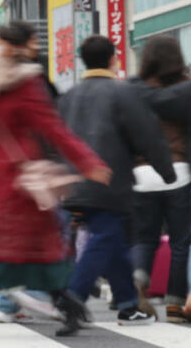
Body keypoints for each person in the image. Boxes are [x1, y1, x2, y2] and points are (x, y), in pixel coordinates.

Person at [0, 25, 110, 339]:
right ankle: (64, 307)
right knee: (17, 253)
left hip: (21, 183)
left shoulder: (26, 84)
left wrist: (88, 161)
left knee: (7, 254)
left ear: (10, 47)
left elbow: (52, 128)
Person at [58, 34, 174, 331]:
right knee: (106, 237)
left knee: (114, 241)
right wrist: (166, 171)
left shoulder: (69, 95)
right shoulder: (122, 93)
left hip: (73, 181)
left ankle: (127, 306)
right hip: (108, 181)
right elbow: (147, 135)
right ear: (113, 59)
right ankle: (74, 295)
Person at [129, 35, 191, 322]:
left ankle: (139, 280)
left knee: (145, 238)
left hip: (142, 174)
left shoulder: (135, 91)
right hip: (178, 172)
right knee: (181, 242)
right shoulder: (184, 90)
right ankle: (176, 305)